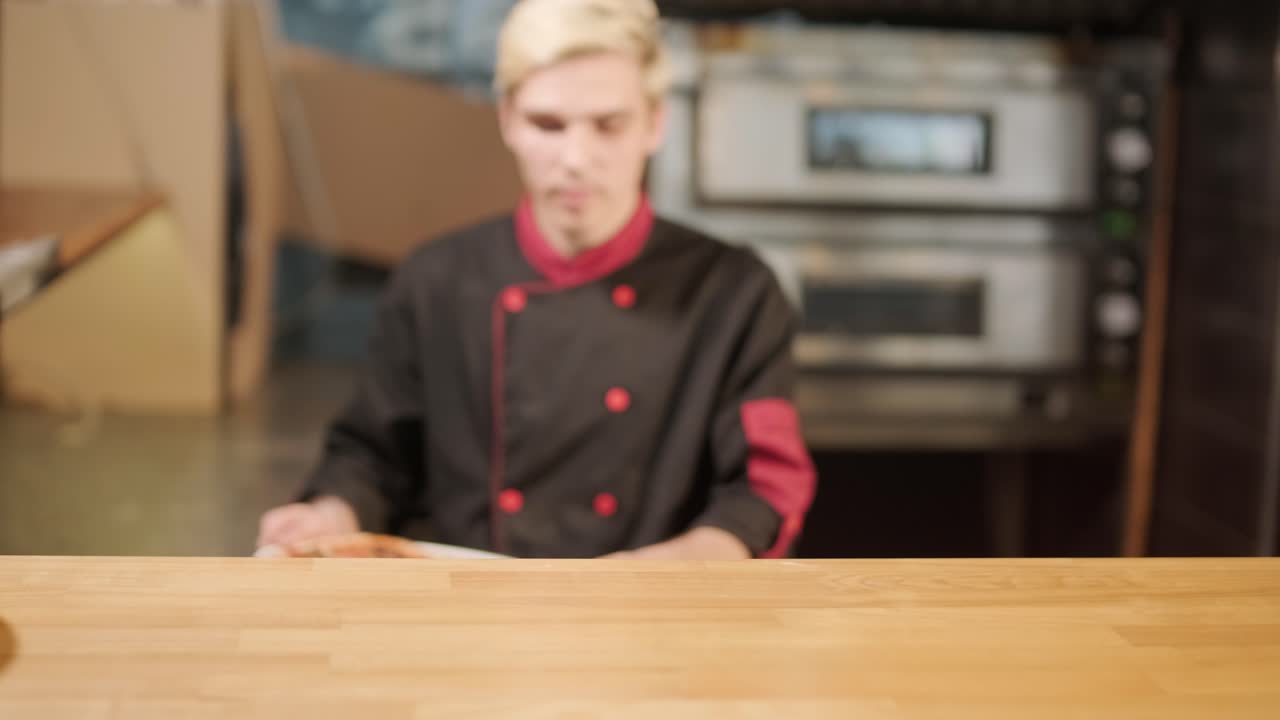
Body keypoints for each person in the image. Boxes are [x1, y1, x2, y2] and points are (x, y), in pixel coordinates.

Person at [257, 0, 815, 559]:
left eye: (608, 125)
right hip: (472, 609)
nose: (576, 158)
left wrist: (664, 573)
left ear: (655, 123)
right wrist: (329, 514)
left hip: (656, 617)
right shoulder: (437, 280)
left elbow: (766, 488)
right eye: (548, 124)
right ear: (507, 120)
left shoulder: (735, 292)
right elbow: (371, 456)